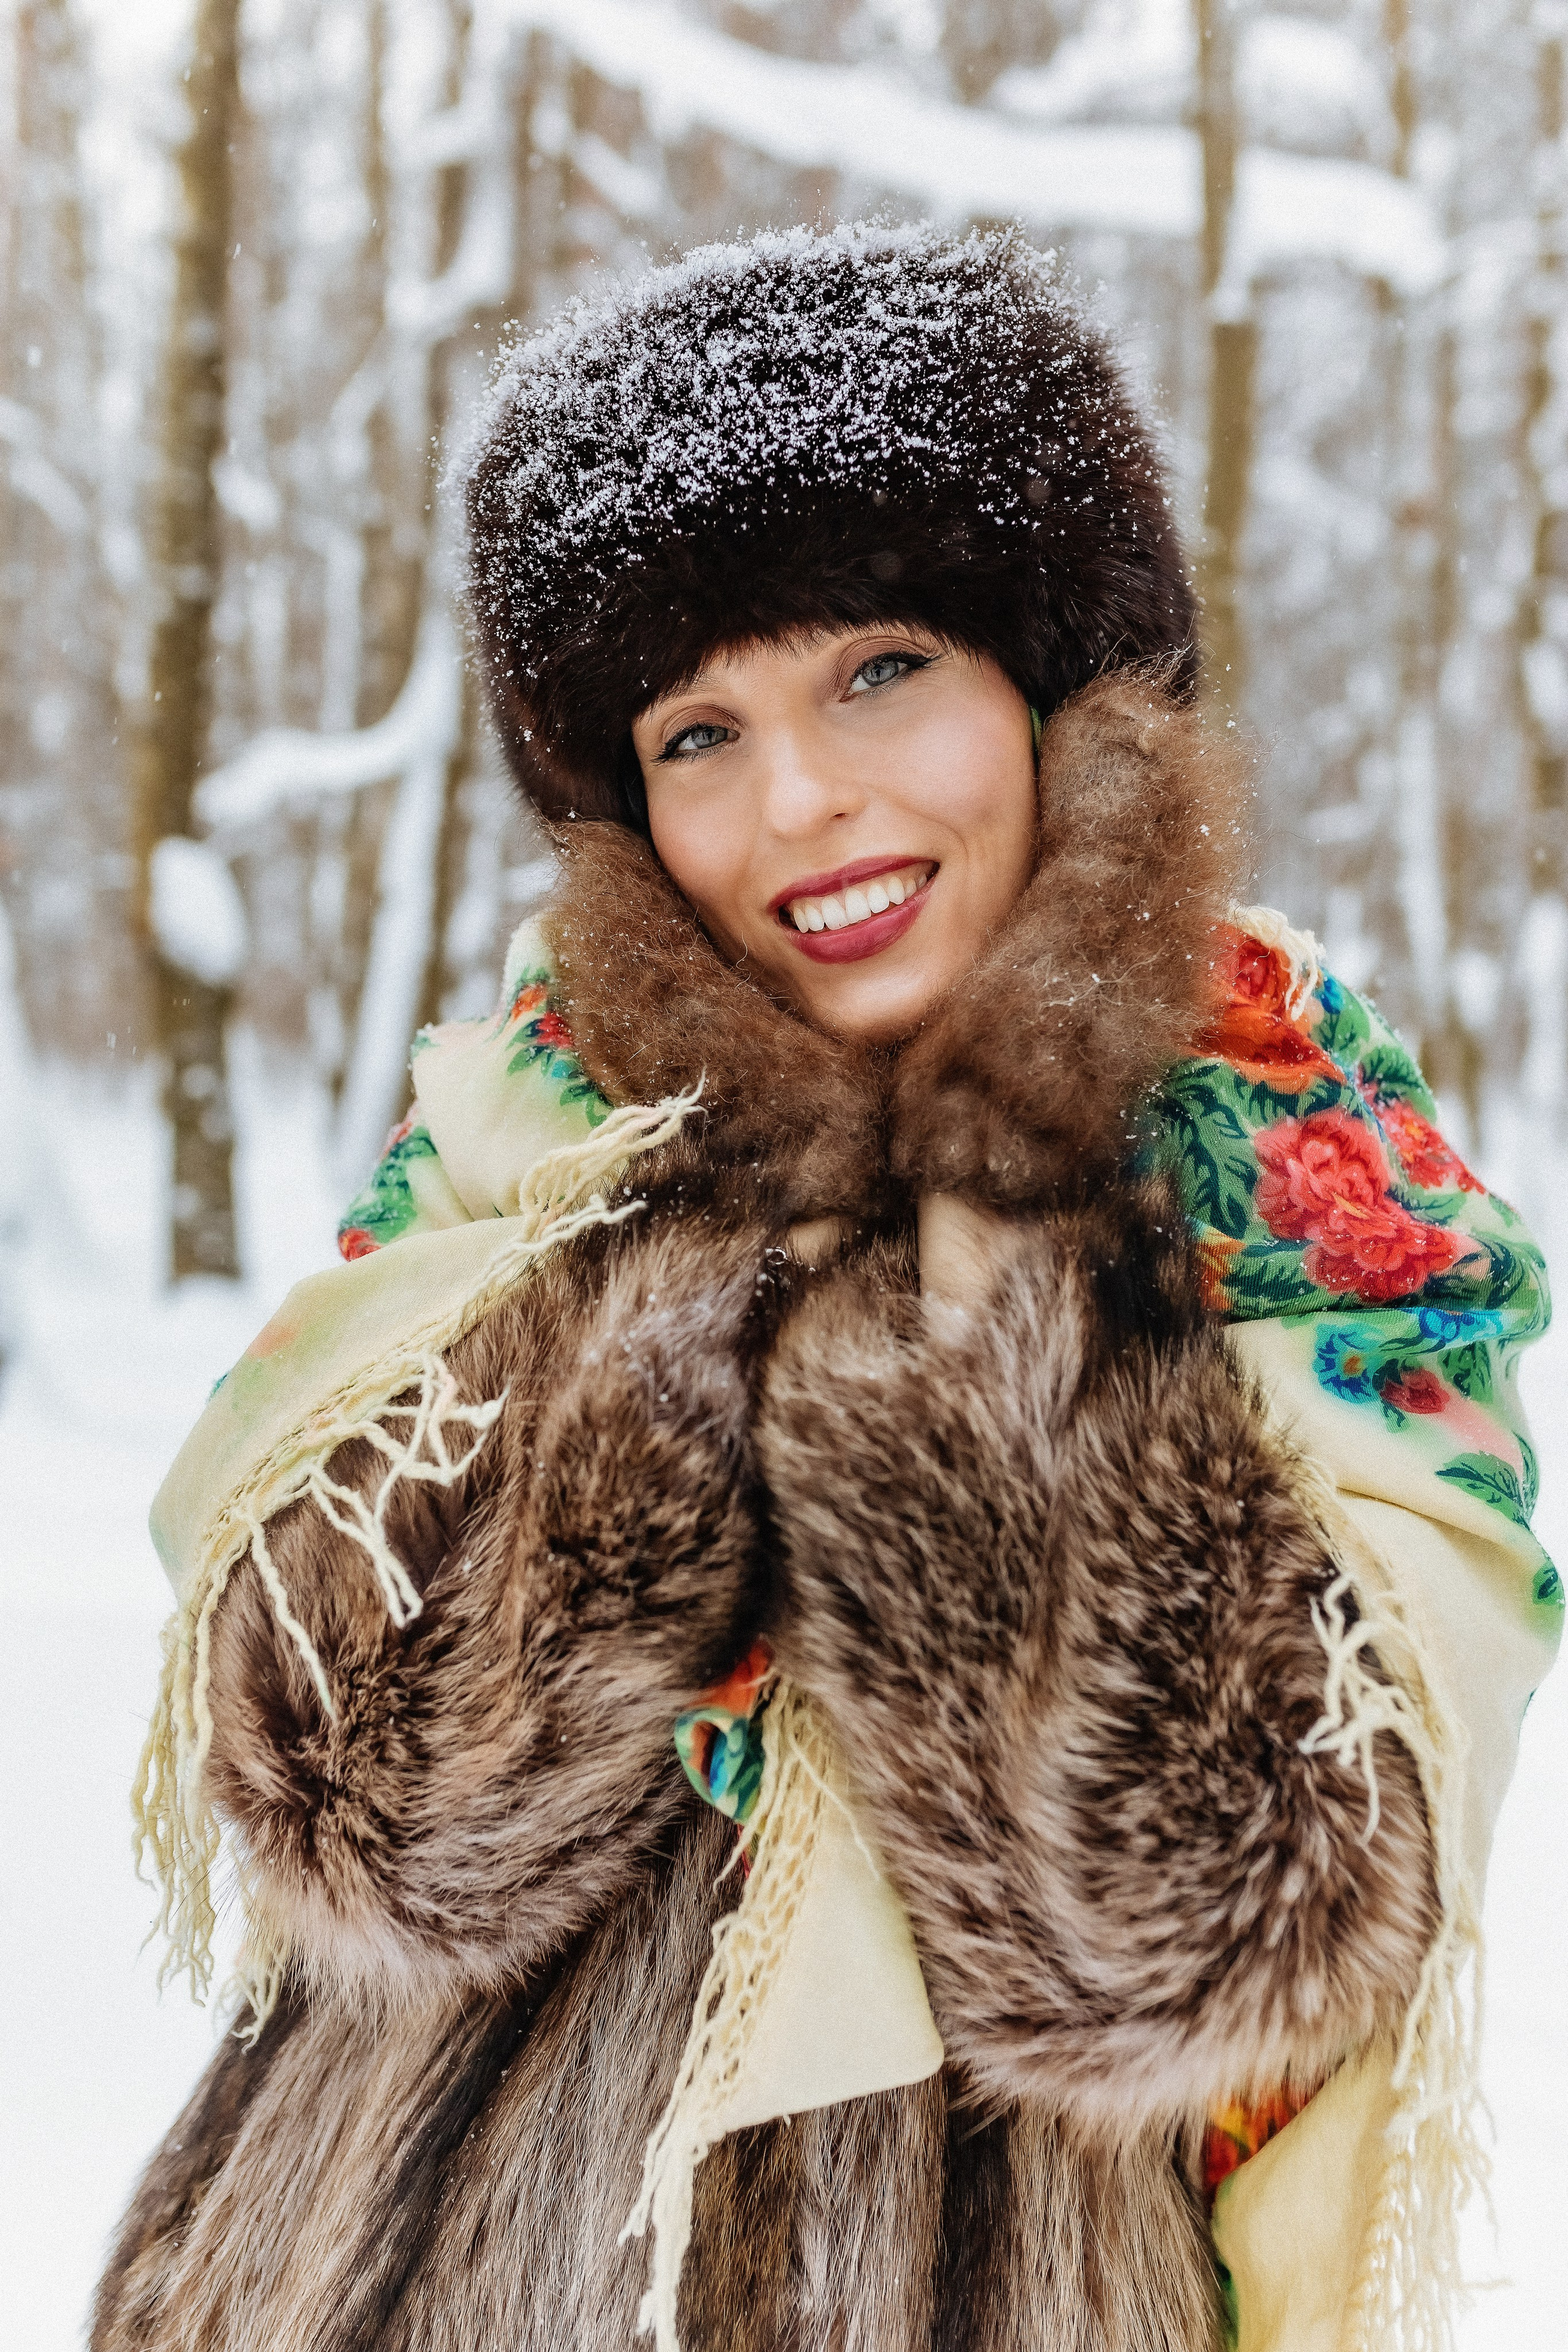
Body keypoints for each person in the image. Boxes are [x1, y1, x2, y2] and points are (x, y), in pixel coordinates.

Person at [95, 224, 1556, 2352]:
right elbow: (357, 1809)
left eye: (880, 671)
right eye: (698, 732)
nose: (801, 805)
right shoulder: (535, 1133)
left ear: (1055, 692)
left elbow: (1200, 1932)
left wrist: (998, 1235)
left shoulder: (1308, 1184)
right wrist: (707, 1273)